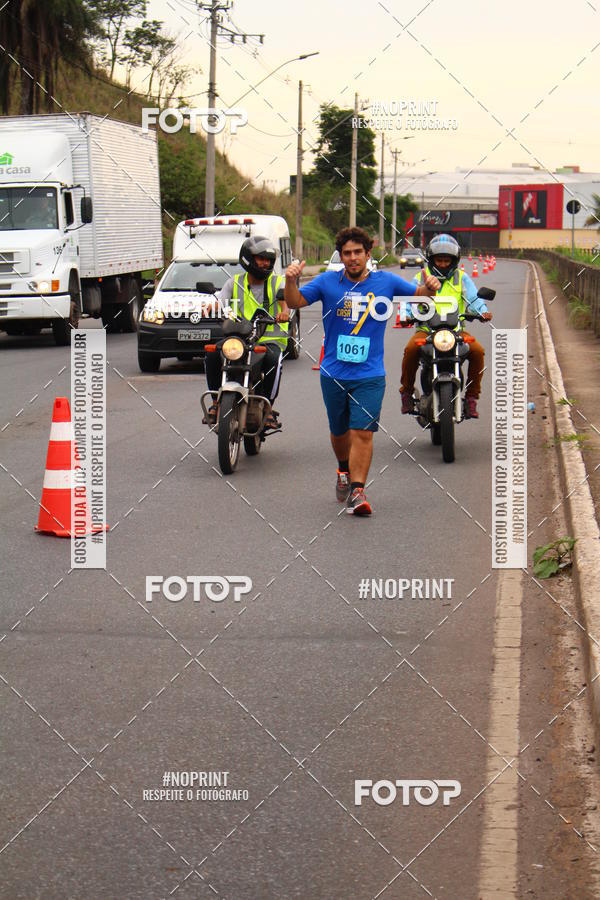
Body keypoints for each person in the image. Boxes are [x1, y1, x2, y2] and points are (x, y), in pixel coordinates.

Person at [284, 226, 440, 516]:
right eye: (347, 253)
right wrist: (290, 280)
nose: (353, 258)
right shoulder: (327, 282)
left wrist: (431, 286)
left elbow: (421, 296)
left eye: (358, 252)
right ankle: (343, 468)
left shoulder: (387, 282)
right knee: (339, 431)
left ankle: (358, 490)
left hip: (370, 375)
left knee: (363, 432)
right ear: (341, 257)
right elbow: (294, 302)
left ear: (368, 254)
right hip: (333, 373)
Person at [399, 234, 492, 419]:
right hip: (426, 330)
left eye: (446, 260)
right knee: (410, 350)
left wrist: (482, 312)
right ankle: (406, 393)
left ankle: (472, 397)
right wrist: (406, 315)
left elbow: (473, 299)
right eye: (439, 260)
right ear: (431, 260)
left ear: (453, 260)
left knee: (478, 352)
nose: (442, 264)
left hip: (456, 331)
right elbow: (408, 299)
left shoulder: (462, 278)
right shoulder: (420, 277)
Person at [203, 235, 289, 429]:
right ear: (248, 258)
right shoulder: (234, 282)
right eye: (261, 258)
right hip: (239, 338)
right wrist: (210, 307)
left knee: (274, 360)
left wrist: (284, 312)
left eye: (268, 259)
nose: (265, 263)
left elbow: (285, 304)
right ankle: (216, 402)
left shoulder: (277, 283)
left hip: (269, 340)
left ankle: (268, 409)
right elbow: (220, 300)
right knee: (212, 353)